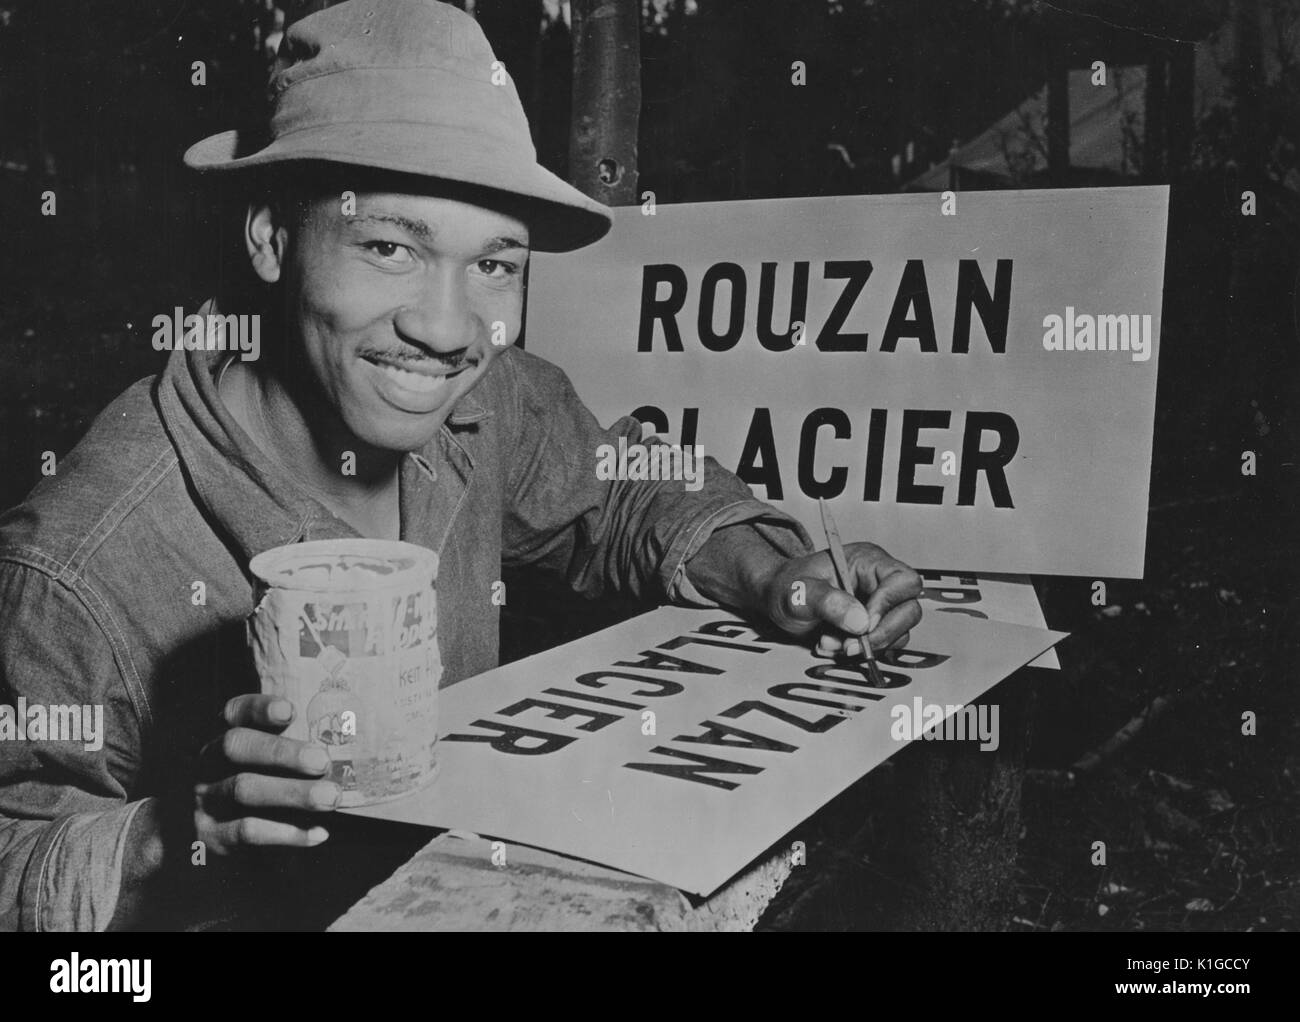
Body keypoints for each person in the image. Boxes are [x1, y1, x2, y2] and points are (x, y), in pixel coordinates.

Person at [0, 0, 921, 931]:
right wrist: (180, 834)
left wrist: (776, 576)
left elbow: (629, 485)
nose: (446, 330)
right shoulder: (78, 567)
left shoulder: (490, 403)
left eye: (494, 265)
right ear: (272, 238)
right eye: (391, 247)